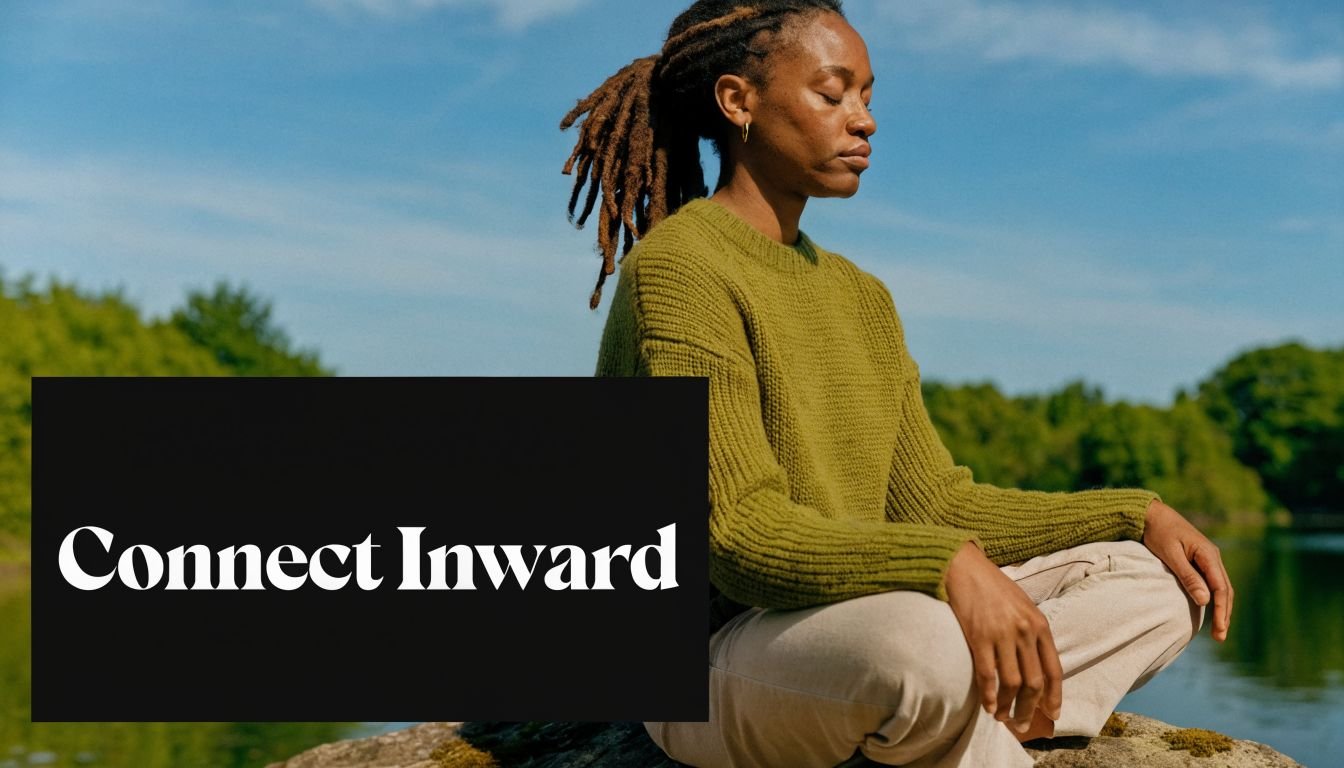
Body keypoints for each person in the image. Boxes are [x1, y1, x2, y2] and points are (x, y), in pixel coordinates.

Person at [561, 1, 1234, 766]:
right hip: (713, 657)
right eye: (832, 92)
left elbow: (939, 504)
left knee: (1160, 584)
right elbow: (737, 538)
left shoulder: (862, 296)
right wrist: (944, 564)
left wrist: (1135, 512)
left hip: (848, 627)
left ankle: (953, 719)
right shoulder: (680, 271)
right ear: (737, 101)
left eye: (868, 96)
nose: (864, 121)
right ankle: (952, 712)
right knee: (921, 642)